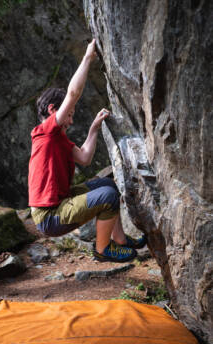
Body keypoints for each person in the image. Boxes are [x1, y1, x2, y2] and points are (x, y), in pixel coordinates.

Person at [28, 39, 146, 263]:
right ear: (54, 110)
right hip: (50, 217)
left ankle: (119, 239)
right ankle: (102, 249)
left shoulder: (57, 139)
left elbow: (84, 158)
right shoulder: (45, 133)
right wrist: (87, 58)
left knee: (107, 185)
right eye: (69, 114)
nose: (70, 121)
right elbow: (73, 93)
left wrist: (94, 128)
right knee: (108, 196)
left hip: (59, 205)